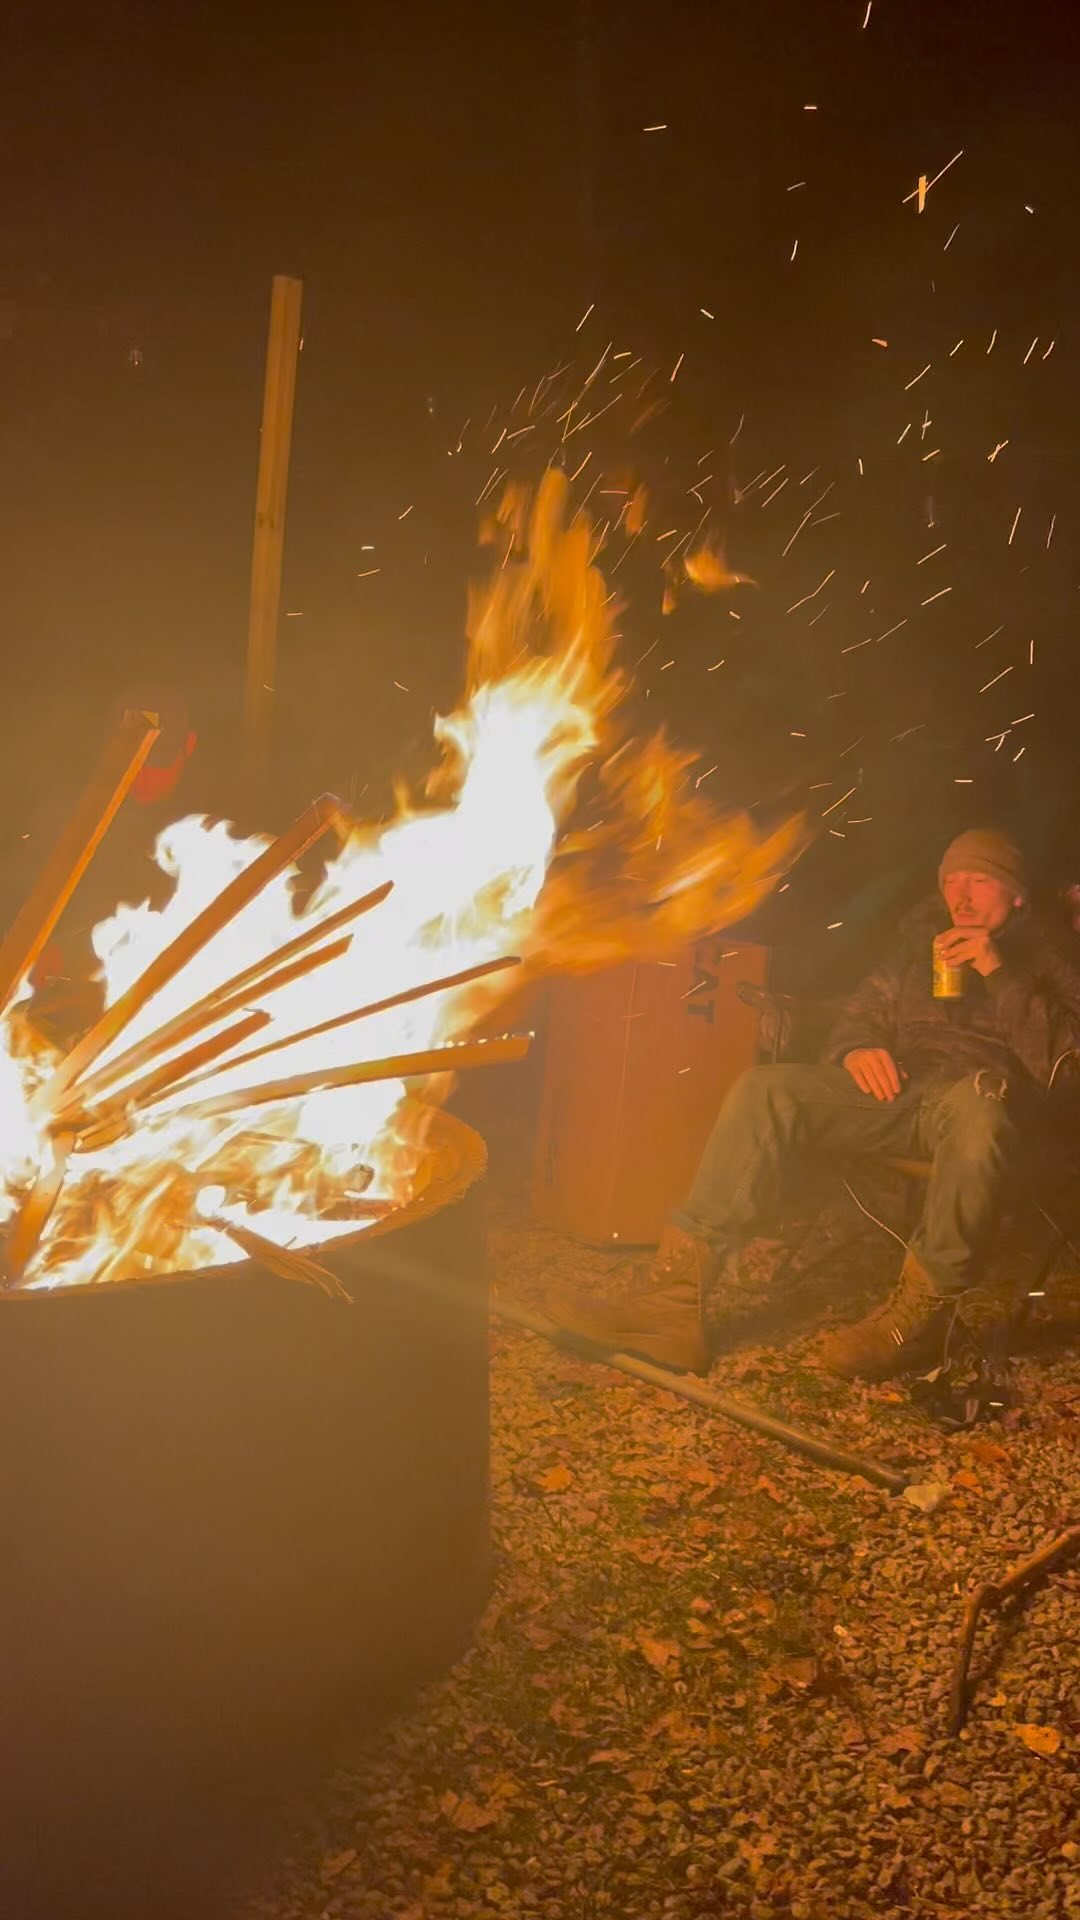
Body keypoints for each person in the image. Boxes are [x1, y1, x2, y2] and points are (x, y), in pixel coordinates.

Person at [549, 829, 1080, 1382]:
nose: (961, 896)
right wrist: (857, 1049)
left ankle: (920, 1323)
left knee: (980, 1103)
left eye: (979, 879)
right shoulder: (919, 943)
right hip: (904, 1097)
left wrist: (1000, 973)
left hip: (991, 1111)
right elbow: (862, 1012)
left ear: (1017, 894)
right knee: (768, 1091)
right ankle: (674, 1305)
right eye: (951, 880)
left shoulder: (1051, 955)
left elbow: (1067, 1067)